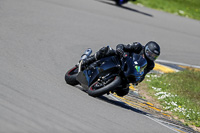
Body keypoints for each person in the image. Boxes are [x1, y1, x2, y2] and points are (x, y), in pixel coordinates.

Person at [81, 41, 160, 96]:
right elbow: (122, 46)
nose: (151, 57)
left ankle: (108, 86)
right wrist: (120, 49)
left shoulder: (150, 65)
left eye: (154, 56)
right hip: (121, 60)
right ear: (146, 49)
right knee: (107, 51)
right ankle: (88, 61)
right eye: (150, 54)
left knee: (124, 91)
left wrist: (138, 79)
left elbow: (143, 74)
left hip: (128, 72)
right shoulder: (138, 47)